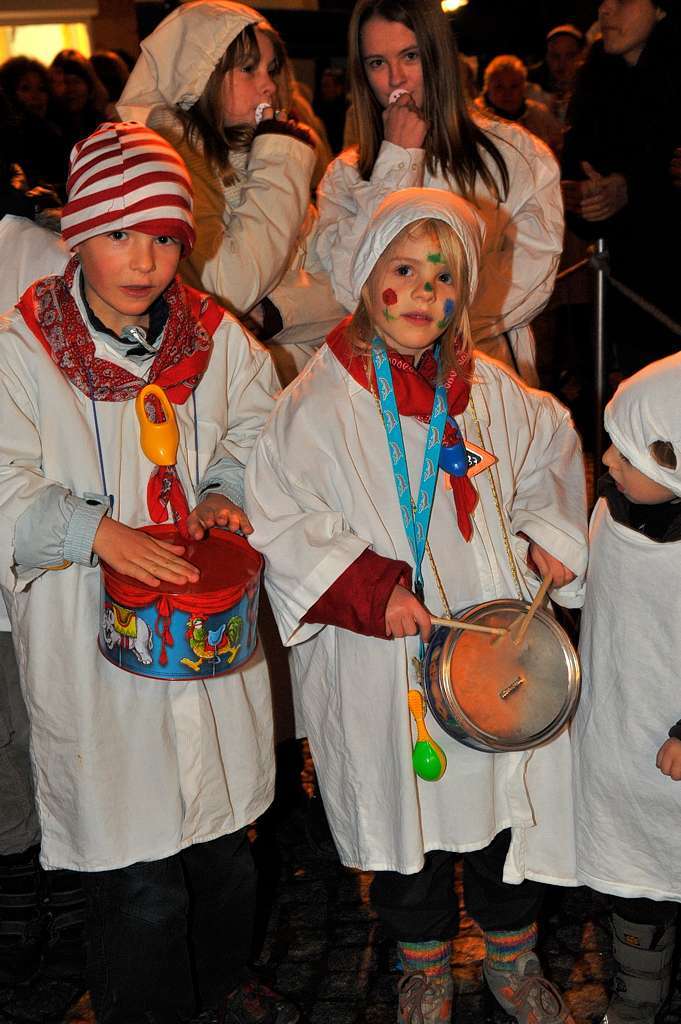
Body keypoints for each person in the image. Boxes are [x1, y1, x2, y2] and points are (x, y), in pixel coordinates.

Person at [245, 187, 588, 1024]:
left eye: (444, 280)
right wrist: (368, 587)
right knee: (406, 819)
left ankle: (512, 956)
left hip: (489, 644)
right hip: (382, 654)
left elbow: (549, 453)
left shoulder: (493, 391)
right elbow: (280, 511)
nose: (424, 296)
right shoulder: (317, 407)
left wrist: (548, 534)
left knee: (507, 807)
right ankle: (422, 963)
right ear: (366, 278)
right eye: (405, 271)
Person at [0, 121, 297, 1024]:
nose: (145, 259)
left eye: (166, 236)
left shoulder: (217, 337)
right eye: (122, 234)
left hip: (205, 640)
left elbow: (260, 425)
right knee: (138, 883)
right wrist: (97, 533)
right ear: (78, 231)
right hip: (95, 659)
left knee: (223, 852)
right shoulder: (24, 348)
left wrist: (222, 488)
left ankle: (217, 987)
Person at [316, 0, 564, 385]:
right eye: (377, 63)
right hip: (378, 386)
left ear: (438, 56)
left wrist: (435, 330)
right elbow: (350, 287)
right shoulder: (346, 175)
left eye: (410, 56)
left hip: (483, 378)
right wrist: (396, 160)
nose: (396, 79)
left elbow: (532, 273)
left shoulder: (517, 155)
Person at [117, 0, 345, 386]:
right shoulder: (169, 165)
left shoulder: (263, 150)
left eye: (272, 69)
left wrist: (274, 313)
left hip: (297, 385)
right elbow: (229, 291)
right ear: (199, 73)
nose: (269, 85)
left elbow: (343, 288)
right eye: (248, 68)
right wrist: (278, 165)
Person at [572, 353, 681, 1024]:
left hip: (669, 740)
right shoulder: (611, 509)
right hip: (618, 727)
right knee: (636, 872)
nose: (607, 458)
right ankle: (639, 985)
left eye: (629, 453)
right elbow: (591, 588)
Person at [561, 0, 680, 380]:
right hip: (632, 293)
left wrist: (635, 189)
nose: (606, 10)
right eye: (603, 0)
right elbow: (577, 172)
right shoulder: (596, 81)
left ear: (661, 8)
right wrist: (579, 198)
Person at [475, 55, 563, 154]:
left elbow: (558, 146)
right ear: (487, 87)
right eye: (499, 87)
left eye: (514, 86)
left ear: (524, 87)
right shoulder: (475, 118)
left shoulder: (540, 115)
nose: (507, 93)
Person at [527, 25, 587, 125]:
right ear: (547, 57)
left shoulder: (590, 93)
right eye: (555, 56)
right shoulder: (531, 93)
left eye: (570, 56)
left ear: (582, 56)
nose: (561, 63)